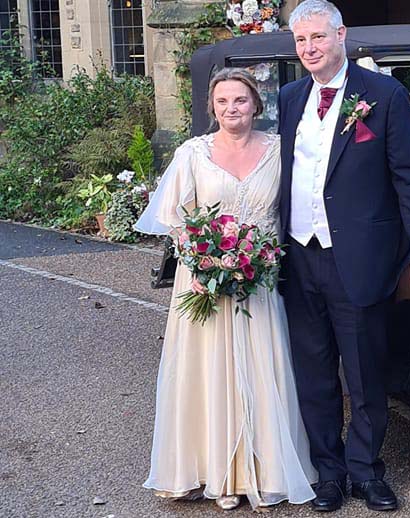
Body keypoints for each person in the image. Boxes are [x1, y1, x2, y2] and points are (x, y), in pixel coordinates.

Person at [277, 0, 410, 512]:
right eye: (301, 41)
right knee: (313, 375)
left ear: (341, 35)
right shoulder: (290, 98)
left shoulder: (383, 95)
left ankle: (365, 472)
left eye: (318, 37)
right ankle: (327, 474)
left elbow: (408, 177)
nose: (309, 48)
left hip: (358, 257)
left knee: (365, 374)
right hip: (300, 256)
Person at [135, 68, 317, 511]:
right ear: (211, 108)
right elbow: (176, 218)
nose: (231, 109)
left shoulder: (280, 151)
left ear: (256, 104)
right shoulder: (193, 153)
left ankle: (263, 468)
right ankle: (215, 472)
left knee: (262, 368)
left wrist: (260, 255)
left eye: (240, 100)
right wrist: (202, 261)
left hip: (260, 279)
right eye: (222, 102)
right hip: (203, 279)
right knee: (207, 372)